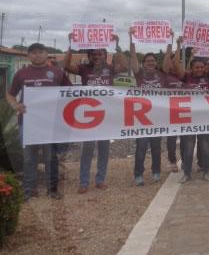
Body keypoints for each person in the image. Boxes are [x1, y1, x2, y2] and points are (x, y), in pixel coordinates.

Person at [5, 43, 67, 200]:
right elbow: (10, 94)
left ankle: (52, 190)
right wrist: (16, 105)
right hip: (27, 123)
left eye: (41, 52)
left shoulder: (56, 72)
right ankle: (28, 190)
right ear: (28, 55)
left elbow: (70, 93)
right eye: (33, 53)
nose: (37, 55)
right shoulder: (21, 73)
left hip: (50, 123)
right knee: (28, 159)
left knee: (50, 158)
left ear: (47, 54)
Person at [64, 33, 124, 194]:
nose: (97, 56)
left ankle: (100, 180)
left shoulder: (110, 69)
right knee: (87, 149)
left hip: (106, 115)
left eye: (100, 54)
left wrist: (117, 44)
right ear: (89, 56)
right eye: (94, 54)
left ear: (105, 56)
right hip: (88, 116)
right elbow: (66, 65)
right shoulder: (84, 69)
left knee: (104, 149)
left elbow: (124, 66)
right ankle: (84, 182)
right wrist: (71, 44)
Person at [172, 36, 209, 183]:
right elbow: (176, 64)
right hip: (189, 118)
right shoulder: (187, 77)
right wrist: (178, 45)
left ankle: (206, 172)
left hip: (205, 118)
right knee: (188, 149)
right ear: (192, 68)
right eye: (196, 67)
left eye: (201, 67)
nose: (199, 69)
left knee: (205, 148)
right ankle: (187, 174)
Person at [130, 29, 168, 185]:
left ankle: (156, 172)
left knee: (156, 148)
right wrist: (131, 38)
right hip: (142, 118)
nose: (151, 63)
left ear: (156, 63)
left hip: (157, 118)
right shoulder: (139, 75)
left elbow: (168, 58)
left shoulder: (161, 74)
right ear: (143, 64)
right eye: (148, 61)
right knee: (141, 148)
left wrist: (170, 41)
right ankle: (138, 174)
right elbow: (132, 57)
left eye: (153, 61)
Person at [161, 37, 185, 173]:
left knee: (184, 139)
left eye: (178, 63)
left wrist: (178, 45)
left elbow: (177, 62)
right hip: (169, 112)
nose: (175, 65)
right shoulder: (165, 75)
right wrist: (175, 44)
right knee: (171, 139)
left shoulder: (183, 76)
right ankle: (172, 161)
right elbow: (166, 63)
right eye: (172, 63)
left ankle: (184, 160)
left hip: (183, 112)